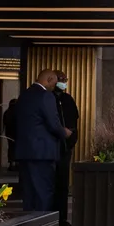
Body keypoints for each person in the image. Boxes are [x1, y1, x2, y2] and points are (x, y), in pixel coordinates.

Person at [15, 71, 71, 213]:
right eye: (55, 81)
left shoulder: (24, 95)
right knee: (44, 193)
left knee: (29, 195)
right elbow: (53, 123)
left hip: (25, 153)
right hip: (42, 153)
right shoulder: (46, 95)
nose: (56, 85)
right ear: (50, 79)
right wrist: (64, 132)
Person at [53, 71, 80, 226]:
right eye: (60, 80)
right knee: (50, 185)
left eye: (65, 80)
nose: (63, 82)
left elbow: (74, 118)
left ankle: (62, 218)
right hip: (51, 147)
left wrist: (71, 137)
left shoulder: (67, 99)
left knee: (62, 184)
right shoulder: (48, 98)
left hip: (65, 147)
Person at [1, 98, 18, 170]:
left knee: (11, 148)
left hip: (9, 133)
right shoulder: (18, 112)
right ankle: (16, 163)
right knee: (16, 148)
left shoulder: (7, 112)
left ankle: (11, 163)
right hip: (16, 133)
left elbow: (4, 123)